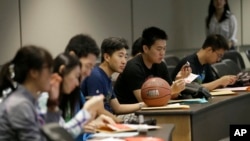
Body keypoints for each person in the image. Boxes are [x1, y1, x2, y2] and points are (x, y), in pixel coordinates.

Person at [0, 46, 107, 141]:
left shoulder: (29, 99)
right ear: (33, 73)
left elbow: (50, 133)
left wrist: (52, 103)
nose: (52, 74)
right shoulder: (20, 104)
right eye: (48, 69)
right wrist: (86, 112)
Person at [114, 27, 191, 104]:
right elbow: (144, 101)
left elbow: (172, 96)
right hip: (130, 112)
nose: (162, 53)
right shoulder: (133, 67)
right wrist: (171, 91)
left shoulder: (161, 65)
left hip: (151, 109)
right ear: (146, 48)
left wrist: (178, 82)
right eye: (159, 49)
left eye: (164, 49)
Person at [81, 37, 146, 114]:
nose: (124, 61)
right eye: (120, 56)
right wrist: (117, 122)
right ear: (107, 57)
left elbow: (117, 108)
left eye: (125, 57)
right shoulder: (96, 76)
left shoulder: (107, 77)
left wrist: (144, 104)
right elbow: (98, 111)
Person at [171, 34, 237, 91]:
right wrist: (220, 81)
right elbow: (193, 88)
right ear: (209, 50)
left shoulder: (206, 63)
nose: (218, 60)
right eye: (219, 55)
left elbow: (211, 84)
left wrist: (225, 82)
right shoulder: (189, 63)